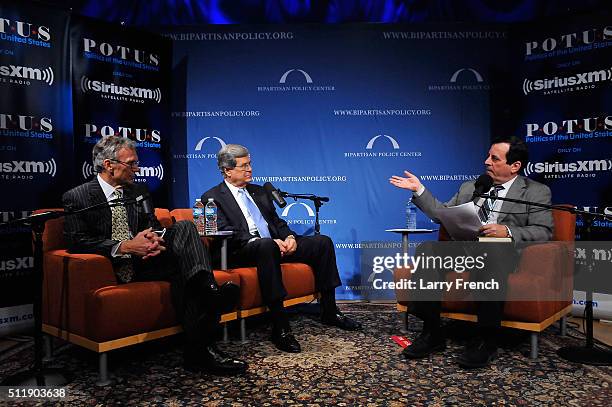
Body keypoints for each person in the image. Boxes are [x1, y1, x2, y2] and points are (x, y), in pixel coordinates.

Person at [62, 136, 247, 375]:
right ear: (109, 165)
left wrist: (153, 239)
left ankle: (207, 296)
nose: (137, 169)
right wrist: (125, 246)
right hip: (113, 265)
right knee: (185, 270)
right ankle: (203, 342)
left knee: (186, 228)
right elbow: (76, 241)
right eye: (131, 164)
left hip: (147, 260)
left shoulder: (138, 190)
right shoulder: (78, 197)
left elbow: (149, 225)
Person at [389, 136, 553, 368]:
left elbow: (543, 231)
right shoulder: (471, 186)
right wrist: (419, 189)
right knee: (428, 249)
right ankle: (432, 333)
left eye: (494, 159)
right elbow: (441, 213)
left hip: (501, 253)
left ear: (515, 166)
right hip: (465, 248)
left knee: (491, 254)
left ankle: (486, 340)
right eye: (487, 156)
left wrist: (506, 230)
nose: (487, 162)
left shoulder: (535, 192)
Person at [202, 144, 361, 353]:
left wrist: (288, 236)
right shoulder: (210, 197)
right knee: (266, 245)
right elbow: (221, 231)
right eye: (244, 166)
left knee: (322, 242)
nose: (250, 169)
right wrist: (259, 241)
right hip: (240, 250)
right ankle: (280, 326)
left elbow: (276, 222)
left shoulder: (259, 191)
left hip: (273, 246)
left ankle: (329, 310)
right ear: (227, 170)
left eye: (250, 164)